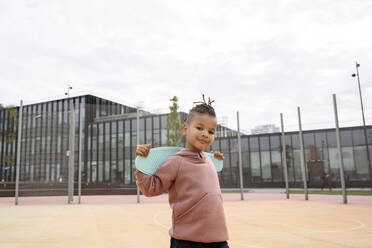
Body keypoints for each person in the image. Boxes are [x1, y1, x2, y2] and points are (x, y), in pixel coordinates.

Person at [135, 96, 230, 248]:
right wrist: (141, 164)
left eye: (211, 131)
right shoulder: (176, 161)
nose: (206, 134)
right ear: (185, 128)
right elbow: (150, 188)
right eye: (200, 128)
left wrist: (216, 158)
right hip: (187, 241)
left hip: (218, 240)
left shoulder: (210, 161)